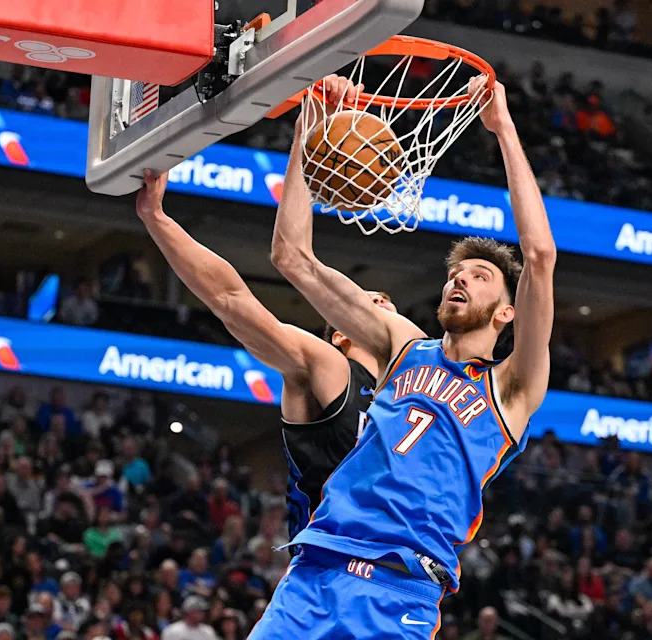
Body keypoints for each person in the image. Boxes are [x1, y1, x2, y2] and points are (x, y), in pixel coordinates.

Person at [255, 75, 555, 639]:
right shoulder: (403, 348)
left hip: (399, 593)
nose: (459, 281)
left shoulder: (512, 389)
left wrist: (504, 128)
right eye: (454, 274)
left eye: (480, 276)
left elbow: (539, 256)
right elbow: (291, 257)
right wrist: (306, 130)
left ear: (507, 313)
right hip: (315, 572)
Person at [136, 169, 398, 542]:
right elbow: (231, 301)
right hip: (329, 570)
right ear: (341, 333)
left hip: (400, 576)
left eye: (388, 303)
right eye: (371, 302)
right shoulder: (329, 365)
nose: (383, 306)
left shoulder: (413, 395)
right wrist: (157, 219)